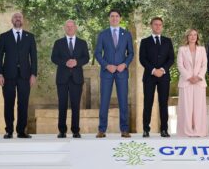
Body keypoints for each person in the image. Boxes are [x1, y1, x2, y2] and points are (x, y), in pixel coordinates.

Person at [0, 12, 37, 139]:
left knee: (23, 103)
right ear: (12, 20)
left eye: (20, 17)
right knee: (9, 102)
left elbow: (34, 58)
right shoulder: (4, 36)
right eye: (15, 17)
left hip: (25, 75)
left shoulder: (30, 37)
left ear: (22, 20)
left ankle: (21, 131)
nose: (18, 19)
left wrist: (33, 74)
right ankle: (9, 131)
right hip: (8, 75)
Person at [94, 9, 134, 138]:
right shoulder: (103, 34)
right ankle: (101, 129)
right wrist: (106, 65)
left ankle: (124, 129)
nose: (114, 18)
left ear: (120, 18)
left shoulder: (126, 34)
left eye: (117, 16)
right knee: (104, 100)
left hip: (122, 72)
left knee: (123, 101)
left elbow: (131, 53)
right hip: (107, 72)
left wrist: (125, 64)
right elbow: (98, 53)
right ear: (109, 18)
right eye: (112, 16)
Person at [51, 20, 89, 138]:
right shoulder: (58, 43)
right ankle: (62, 131)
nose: (69, 28)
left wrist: (76, 62)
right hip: (62, 78)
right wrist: (65, 62)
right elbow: (54, 58)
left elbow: (86, 58)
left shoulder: (82, 43)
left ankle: (75, 130)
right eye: (67, 26)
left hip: (77, 79)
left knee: (75, 105)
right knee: (62, 104)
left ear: (75, 28)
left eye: (71, 26)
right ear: (64, 28)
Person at [139, 17, 174, 138]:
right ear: (151, 26)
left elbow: (171, 59)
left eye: (160, 25)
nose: (158, 27)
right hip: (149, 76)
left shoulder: (167, 41)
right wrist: (153, 70)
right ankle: (145, 129)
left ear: (162, 26)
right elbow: (142, 59)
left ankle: (164, 129)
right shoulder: (145, 41)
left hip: (164, 77)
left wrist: (162, 70)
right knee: (147, 103)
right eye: (155, 24)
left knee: (163, 103)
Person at [176, 29, 207, 137]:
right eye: (190, 35)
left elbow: (204, 65)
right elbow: (180, 65)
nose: (193, 37)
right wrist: (189, 77)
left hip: (199, 82)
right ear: (187, 37)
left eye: (195, 35)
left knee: (198, 108)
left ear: (197, 37)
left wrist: (198, 77)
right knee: (186, 108)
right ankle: (186, 131)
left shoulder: (202, 49)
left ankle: (199, 131)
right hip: (186, 82)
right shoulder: (182, 49)